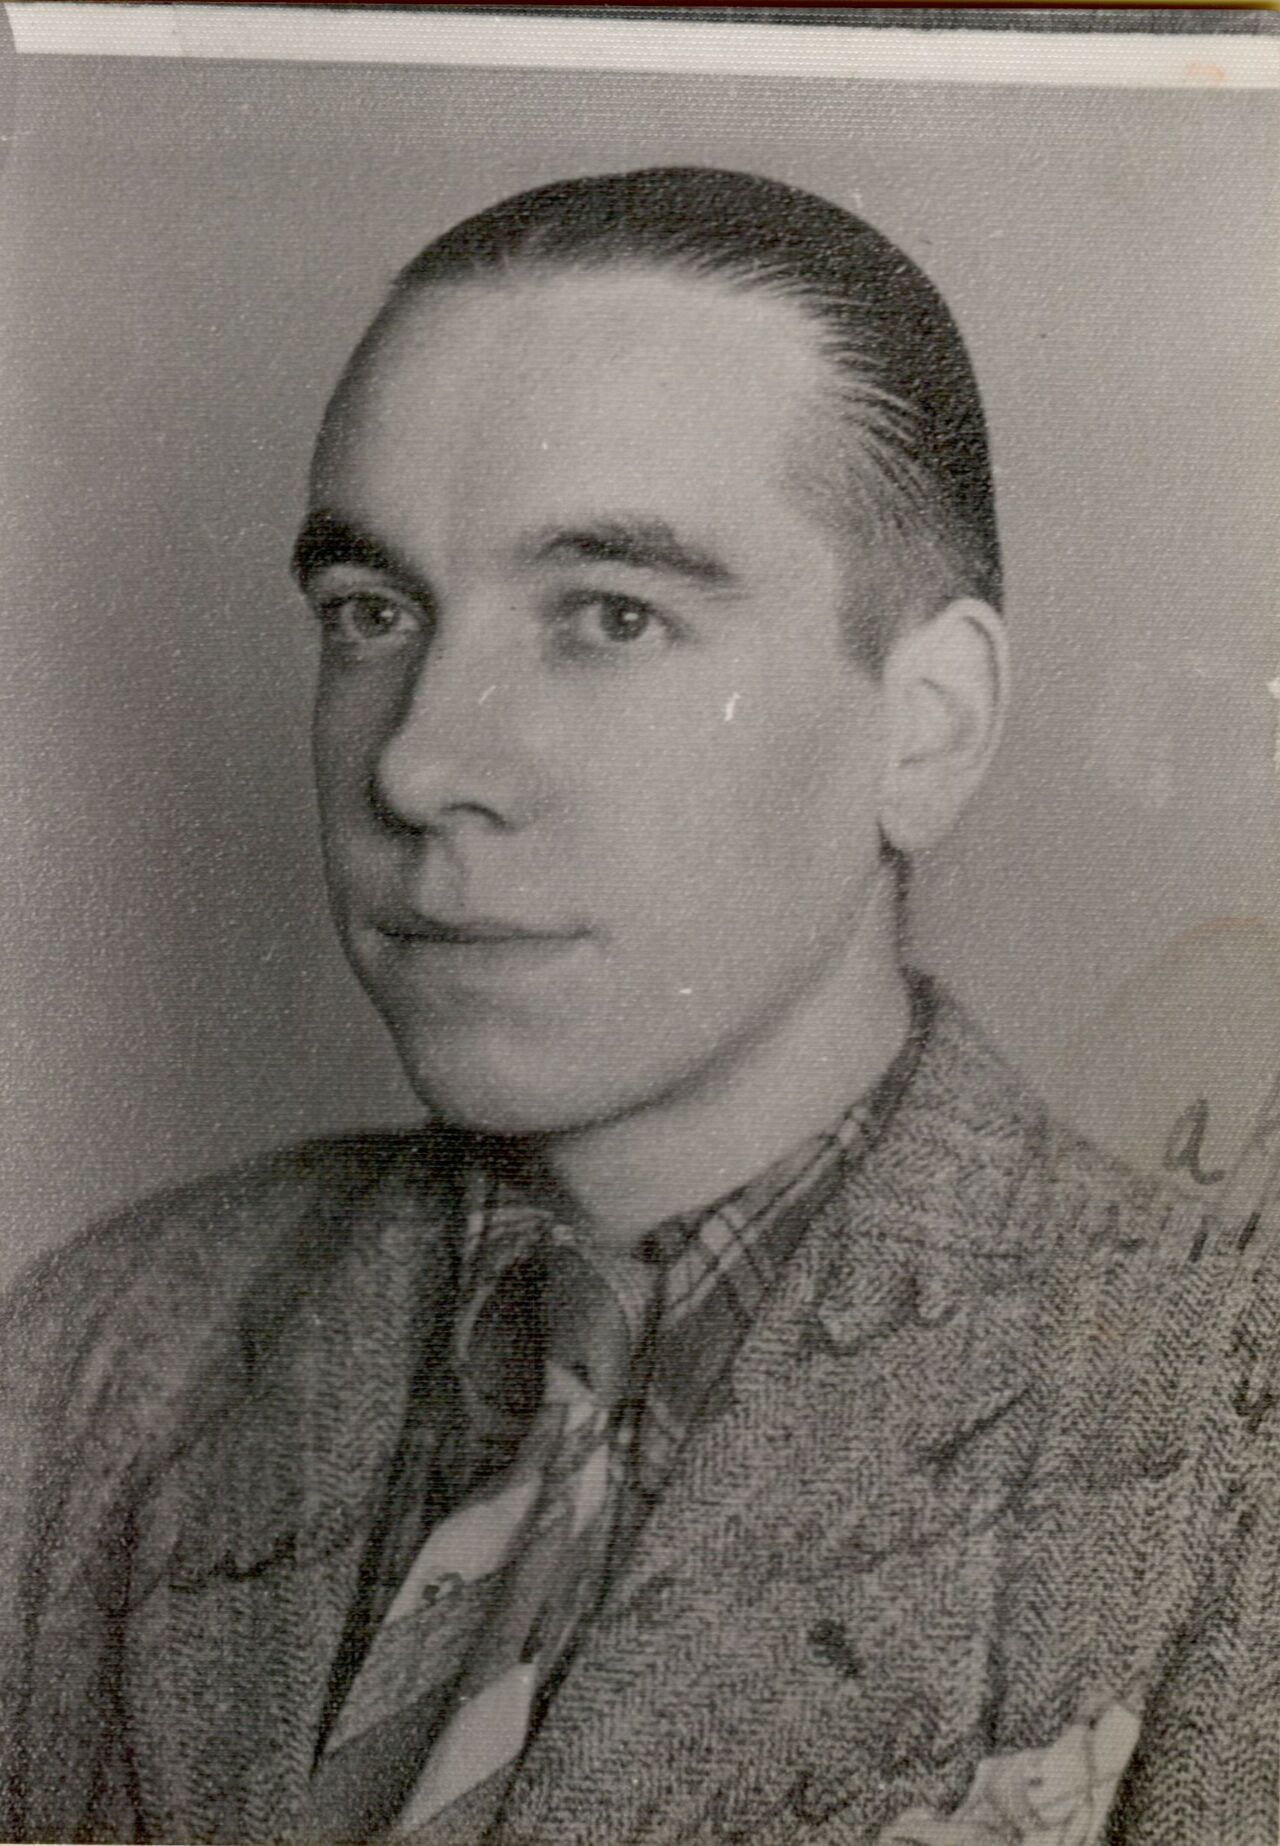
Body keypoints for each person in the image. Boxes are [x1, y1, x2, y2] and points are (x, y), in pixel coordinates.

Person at [1, 167, 1275, 1846]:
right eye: (371, 614)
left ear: (928, 726)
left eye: (613, 615)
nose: (419, 759)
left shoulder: (1223, 1447)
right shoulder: (93, 1357)